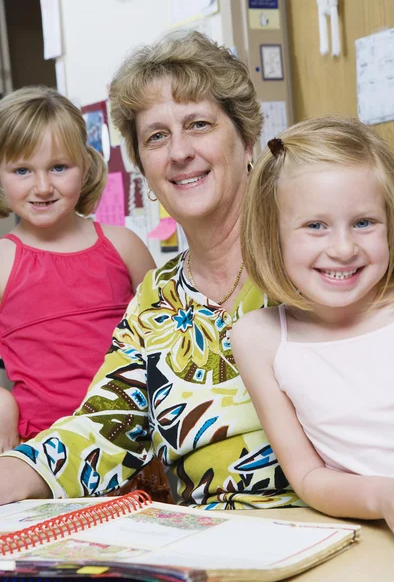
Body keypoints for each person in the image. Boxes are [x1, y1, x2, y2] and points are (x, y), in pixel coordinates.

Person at [0, 32, 301, 510]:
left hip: (336, 527)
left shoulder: (312, 260)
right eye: (157, 137)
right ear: (144, 167)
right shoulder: (156, 299)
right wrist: (14, 472)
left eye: (198, 124)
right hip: (209, 546)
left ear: (247, 140)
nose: (179, 152)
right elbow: (105, 424)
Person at [231, 116, 394, 541]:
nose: (343, 248)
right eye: (315, 226)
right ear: (274, 236)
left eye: (364, 222)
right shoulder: (258, 339)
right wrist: (384, 498)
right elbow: (307, 477)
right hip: (372, 537)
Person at [0, 86, 172, 502]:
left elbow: (167, 341)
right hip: (45, 464)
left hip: (137, 456)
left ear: (85, 164)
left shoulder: (124, 245)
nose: (42, 186)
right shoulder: (2, 260)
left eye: (59, 167)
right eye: (22, 170)